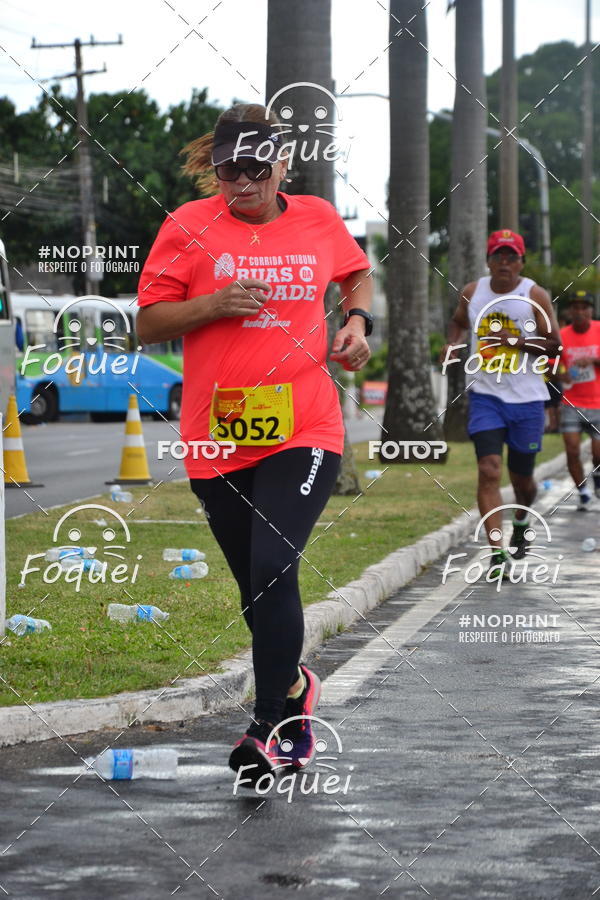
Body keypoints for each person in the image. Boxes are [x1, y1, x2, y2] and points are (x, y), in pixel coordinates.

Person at [136, 103, 373, 782]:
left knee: (273, 564)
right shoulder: (187, 226)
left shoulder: (318, 219)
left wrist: (356, 319)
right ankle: (297, 689)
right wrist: (212, 304)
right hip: (216, 437)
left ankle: (269, 726)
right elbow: (148, 323)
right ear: (215, 170)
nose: (243, 183)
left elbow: (355, 272)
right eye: (229, 171)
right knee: (256, 585)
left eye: (255, 168)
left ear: (281, 165)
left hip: (305, 428)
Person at [442, 229, 560, 574]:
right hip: (486, 396)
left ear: (521, 262)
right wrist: (453, 343)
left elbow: (554, 344)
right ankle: (497, 553)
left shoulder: (533, 294)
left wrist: (517, 341)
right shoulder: (472, 293)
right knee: (488, 470)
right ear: (488, 260)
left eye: (511, 257)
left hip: (527, 400)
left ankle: (521, 522)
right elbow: (457, 322)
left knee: (523, 481)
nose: (504, 263)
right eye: (498, 256)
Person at [558, 290, 600, 510]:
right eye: (576, 307)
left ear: (591, 311)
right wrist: (560, 374)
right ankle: (583, 492)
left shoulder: (599, 330)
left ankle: (597, 477)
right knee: (572, 449)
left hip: (598, 402)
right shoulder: (562, 335)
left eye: (585, 307)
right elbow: (550, 366)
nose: (580, 311)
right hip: (571, 402)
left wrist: (593, 360)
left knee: (597, 452)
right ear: (570, 311)